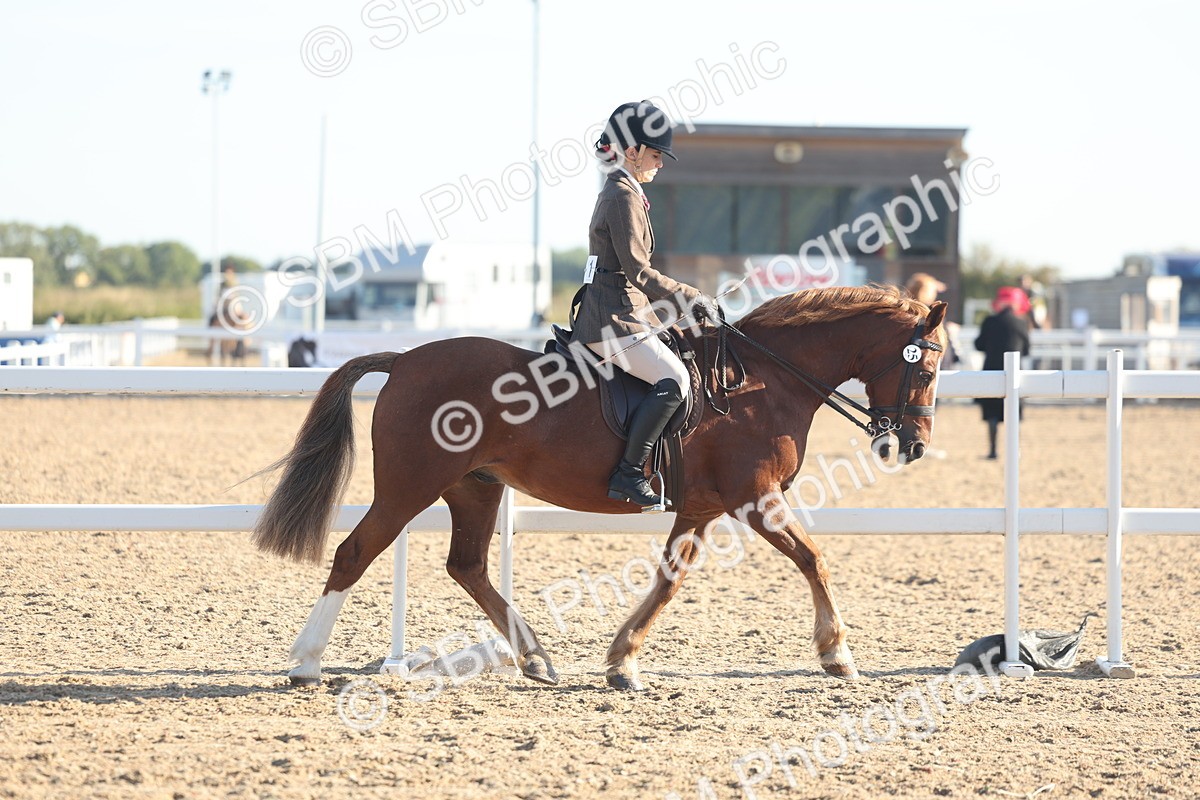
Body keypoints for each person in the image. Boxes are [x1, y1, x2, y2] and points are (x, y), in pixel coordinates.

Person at [571, 101, 718, 511]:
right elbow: (638, 271)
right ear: (632, 151)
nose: (660, 164)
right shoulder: (622, 195)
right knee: (675, 381)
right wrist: (692, 297)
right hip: (613, 322)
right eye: (655, 154)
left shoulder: (624, 191)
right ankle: (630, 472)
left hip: (623, 314)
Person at [974, 286, 1031, 459]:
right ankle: (1014, 451)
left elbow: (979, 345)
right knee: (1013, 413)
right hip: (1014, 374)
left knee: (991, 413)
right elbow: (1027, 350)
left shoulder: (989, 321)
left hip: (991, 370)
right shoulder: (1021, 323)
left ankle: (993, 450)